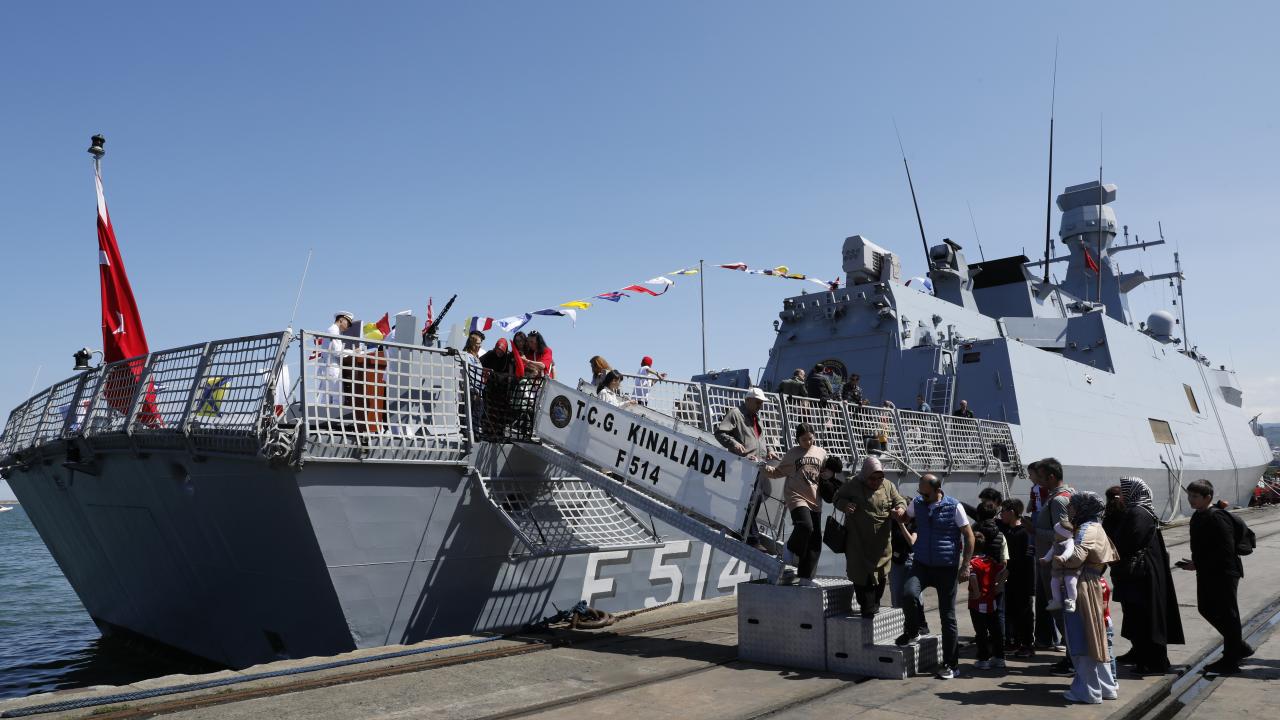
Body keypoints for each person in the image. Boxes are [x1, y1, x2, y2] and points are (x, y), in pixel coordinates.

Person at [896, 473, 976, 680]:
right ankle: (913, 631)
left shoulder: (954, 506)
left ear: (937, 490)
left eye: (926, 494)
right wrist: (900, 513)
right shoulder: (918, 503)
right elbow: (906, 517)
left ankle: (951, 664)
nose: (922, 497)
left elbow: (969, 536)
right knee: (908, 594)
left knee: (947, 616)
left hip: (946, 568)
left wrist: (965, 565)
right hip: (921, 564)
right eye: (920, 493)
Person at [1176, 479, 1251, 675]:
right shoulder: (1198, 516)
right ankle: (1238, 646)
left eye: (1195, 496)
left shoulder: (1216, 517)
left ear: (1207, 497)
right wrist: (1197, 563)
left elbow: (1225, 551)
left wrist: (1198, 564)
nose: (1191, 500)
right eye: (1189, 495)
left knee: (1228, 615)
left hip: (1224, 573)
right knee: (1206, 609)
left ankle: (1230, 661)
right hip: (1208, 571)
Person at [1111, 477, 1184, 674]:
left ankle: (1152, 661)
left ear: (1133, 492)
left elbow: (1130, 541)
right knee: (1138, 615)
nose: (1121, 496)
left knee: (1142, 616)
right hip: (1144, 571)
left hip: (1141, 575)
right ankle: (1142, 655)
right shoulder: (1141, 511)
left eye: (1124, 492)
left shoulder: (1137, 513)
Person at [1056, 491, 1120, 704]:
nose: (1070, 510)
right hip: (1091, 582)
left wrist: (1058, 558)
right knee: (1095, 637)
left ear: (1082, 508)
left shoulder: (1086, 529)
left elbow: (1075, 558)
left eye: (1072, 506)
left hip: (1082, 585)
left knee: (1081, 638)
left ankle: (1087, 691)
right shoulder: (1095, 526)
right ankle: (1105, 686)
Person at [832, 456, 907, 616]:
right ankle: (867, 609)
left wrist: (900, 509)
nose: (876, 482)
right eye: (872, 479)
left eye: (880, 478)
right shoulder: (852, 484)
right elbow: (836, 498)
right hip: (858, 545)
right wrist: (845, 505)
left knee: (880, 582)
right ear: (865, 475)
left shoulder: (888, 486)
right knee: (863, 586)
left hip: (881, 548)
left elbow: (900, 501)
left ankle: (874, 604)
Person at [765, 423, 828, 585]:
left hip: (815, 498)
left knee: (815, 540)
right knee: (805, 526)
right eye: (804, 439)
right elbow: (779, 472)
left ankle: (806, 577)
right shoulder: (792, 453)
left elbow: (825, 474)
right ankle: (790, 547)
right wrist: (763, 468)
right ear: (798, 440)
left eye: (810, 438)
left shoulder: (821, 453)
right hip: (796, 495)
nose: (808, 442)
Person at [1032, 458, 1074, 673]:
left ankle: (1073, 657)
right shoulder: (1067, 494)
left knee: (1059, 610)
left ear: (1050, 476)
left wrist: (1034, 530)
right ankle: (1073, 655)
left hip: (1054, 564)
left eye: (1040, 477)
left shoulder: (1058, 500)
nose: (1037, 481)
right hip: (1055, 562)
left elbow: (1064, 535)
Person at [1000, 498, 1035, 657]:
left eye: (1003, 511)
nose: (1001, 514)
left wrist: (1008, 571)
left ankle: (1027, 644)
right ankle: (1014, 642)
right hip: (1011, 579)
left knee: (1024, 613)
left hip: (1023, 580)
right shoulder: (1007, 530)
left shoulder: (1024, 533)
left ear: (1012, 512)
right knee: (1011, 611)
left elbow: (1025, 560)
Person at [968, 530, 1007, 670]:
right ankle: (999, 657)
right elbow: (1005, 571)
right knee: (995, 630)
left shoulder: (972, 563)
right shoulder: (990, 560)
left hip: (977, 603)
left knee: (981, 632)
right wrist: (998, 586)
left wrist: (976, 593)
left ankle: (983, 659)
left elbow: (973, 577)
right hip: (992, 601)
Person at [714, 387, 775, 461]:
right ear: (747, 400)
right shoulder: (735, 414)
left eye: (761, 403)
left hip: (758, 463)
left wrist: (770, 450)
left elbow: (760, 439)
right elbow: (719, 433)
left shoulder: (757, 417)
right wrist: (734, 444)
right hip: (742, 462)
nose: (760, 406)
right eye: (758, 402)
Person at [1042, 520, 1080, 611]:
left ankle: (1072, 601)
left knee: (1070, 583)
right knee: (1053, 584)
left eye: (1056, 533)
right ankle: (1057, 601)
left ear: (1063, 534)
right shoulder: (1055, 543)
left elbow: (1069, 551)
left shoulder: (1069, 541)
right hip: (1057, 570)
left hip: (1069, 570)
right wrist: (1045, 559)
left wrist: (1063, 557)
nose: (1054, 535)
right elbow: (1051, 552)